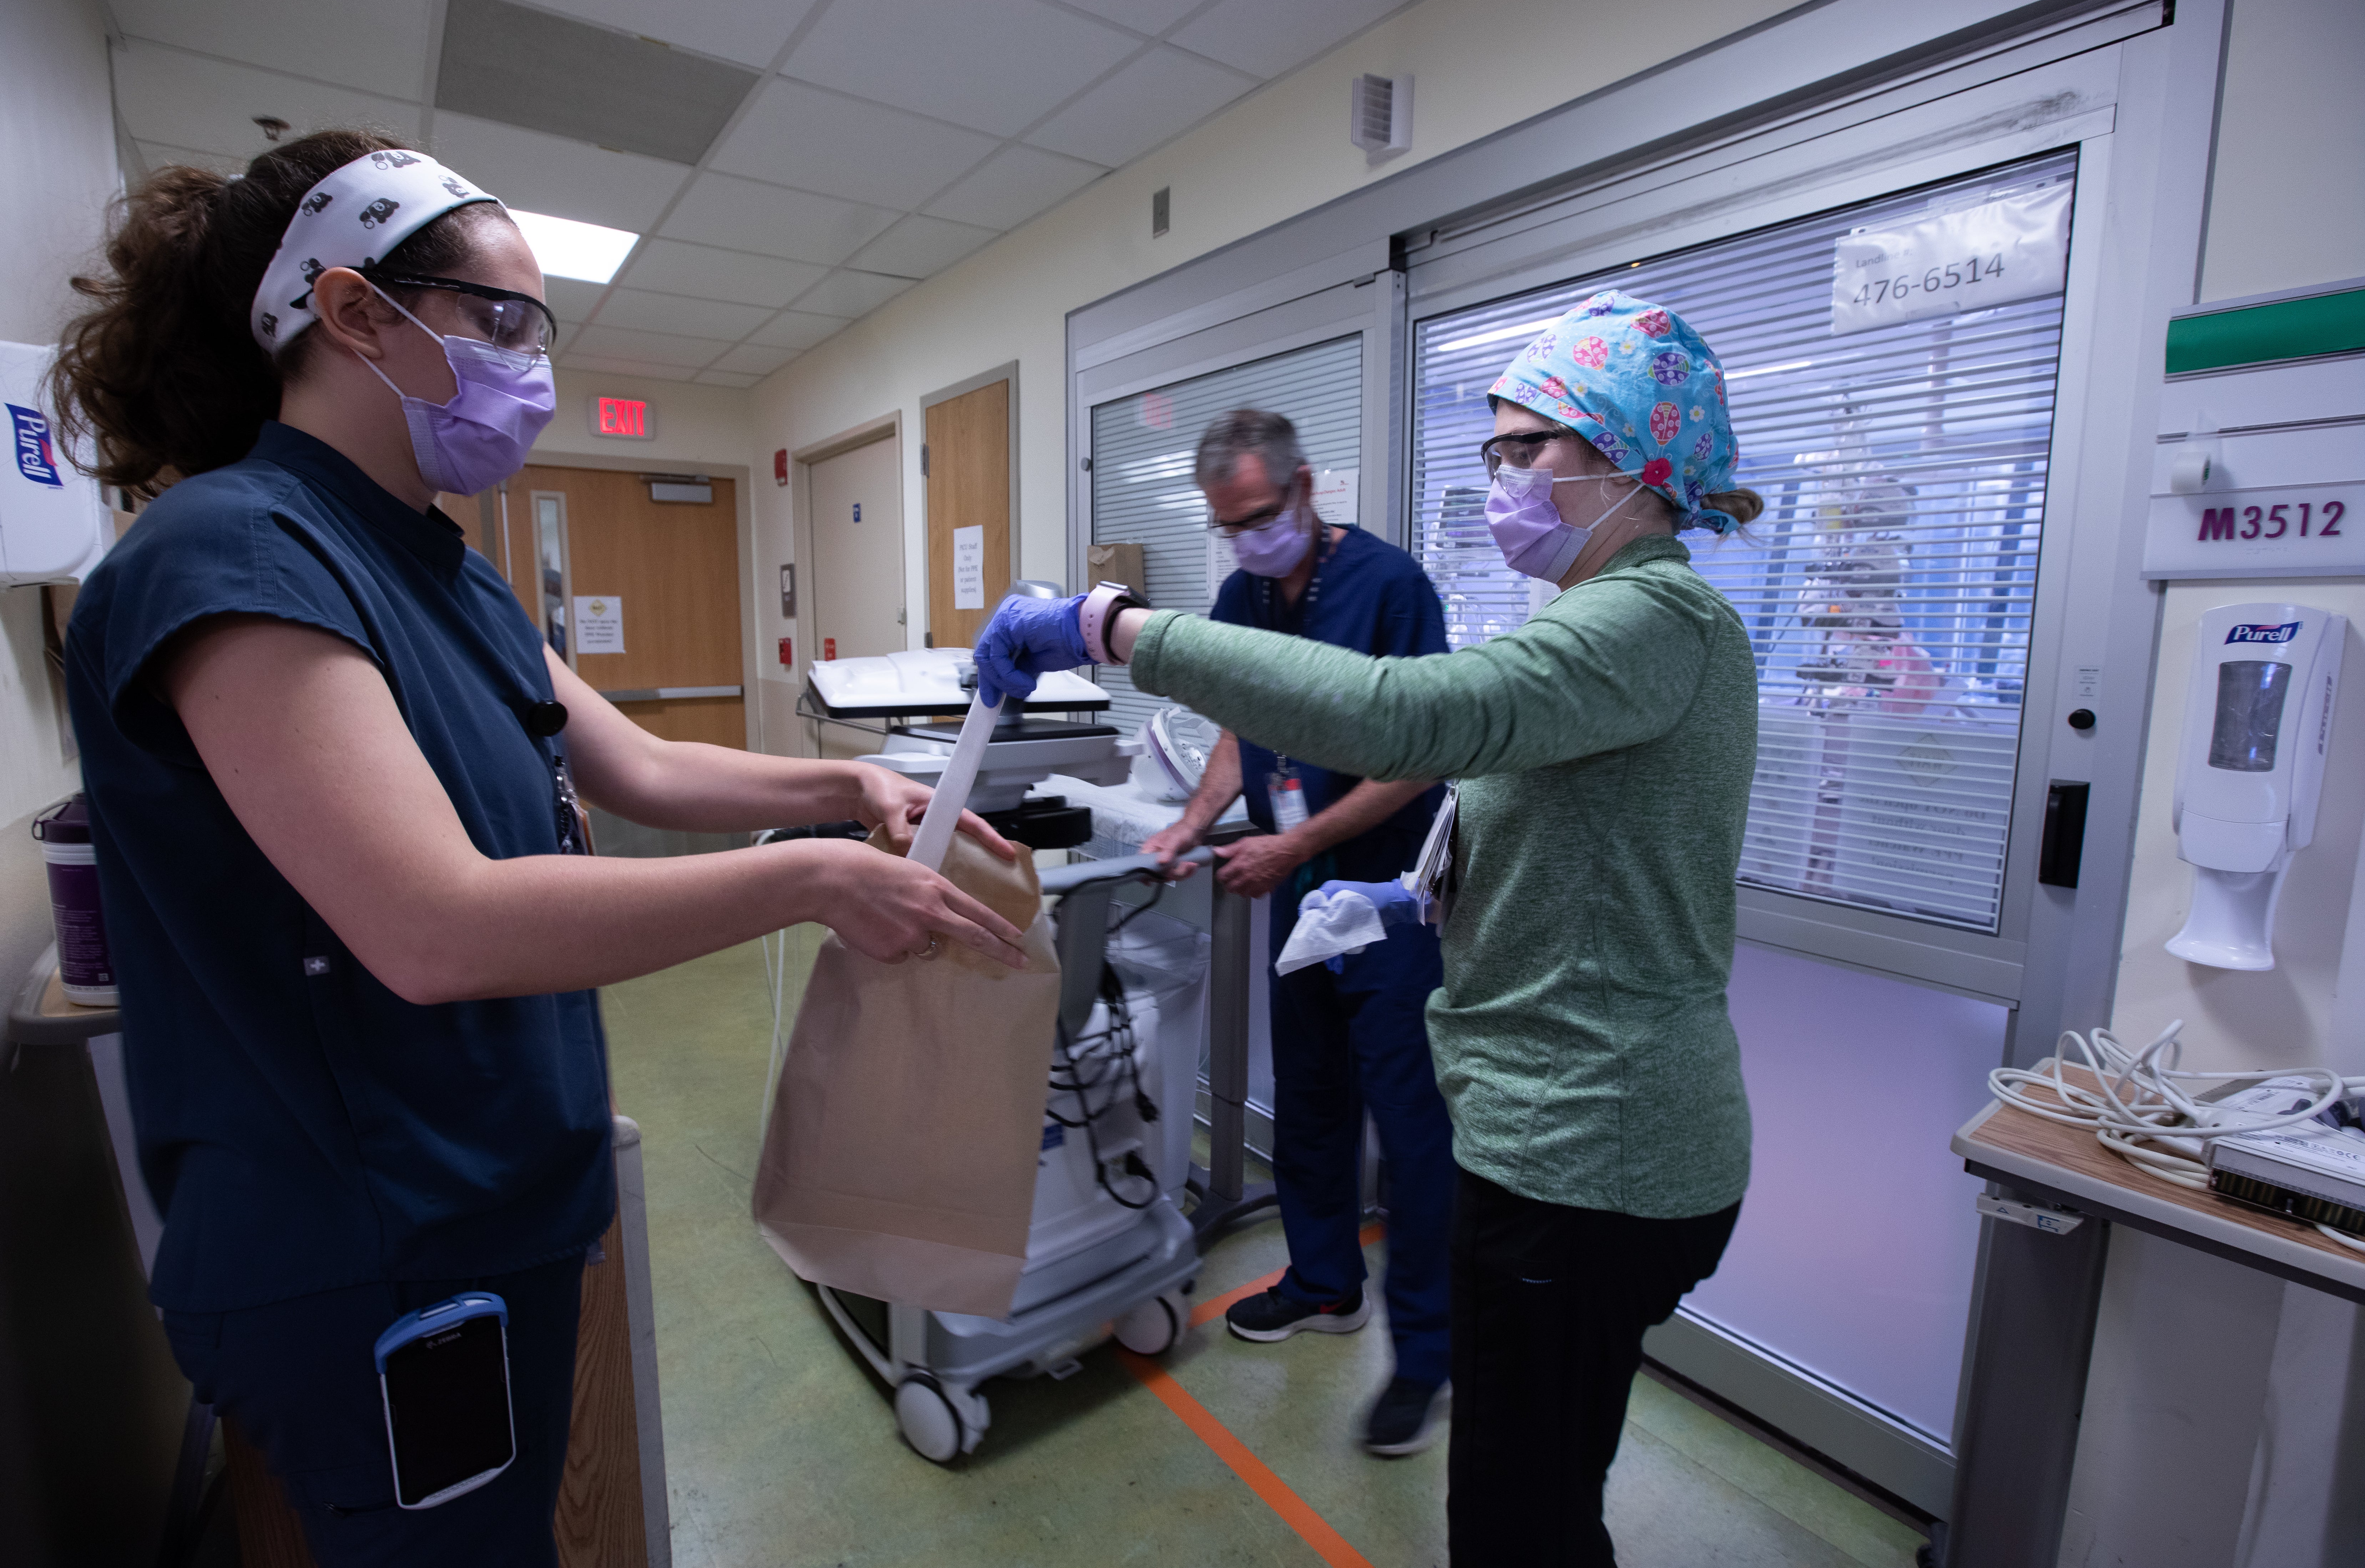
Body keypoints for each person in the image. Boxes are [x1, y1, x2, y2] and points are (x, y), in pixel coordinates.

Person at [50, 131, 1027, 1564]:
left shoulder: (442, 566)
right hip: (368, 1246)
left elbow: (637, 763)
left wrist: (851, 791)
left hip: (492, 1203)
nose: (532, 365)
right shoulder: (230, 551)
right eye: (499, 319)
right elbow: (435, 925)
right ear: (354, 313)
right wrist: (812, 882)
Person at [975, 290, 1764, 1565]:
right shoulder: (1607, 622)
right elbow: (1583, 845)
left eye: (1528, 449)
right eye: (1495, 450)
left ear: (1630, 462)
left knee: (1517, 1518)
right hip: (1574, 1131)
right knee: (1550, 1485)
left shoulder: (1649, 618)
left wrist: (1105, 626)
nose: (1501, 476)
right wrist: (1413, 894)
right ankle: (1326, 1282)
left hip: (1588, 1152)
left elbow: (1405, 721)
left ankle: (1413, 1351)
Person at [1136, 410, 1458, 1457]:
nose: (1246, 542)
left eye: (1262, 518)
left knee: (1414, 1138)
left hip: (1393, 897)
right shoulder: (1239, 594)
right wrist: (1191, 822)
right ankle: (1326, 1284)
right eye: (1228, 527)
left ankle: (1424, 1358)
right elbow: (1241, 722)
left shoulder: (1390, 584)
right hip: (1298, 893)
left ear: (1306, 488)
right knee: (1312, 1103)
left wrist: (1298, 842)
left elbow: (1417, 755)